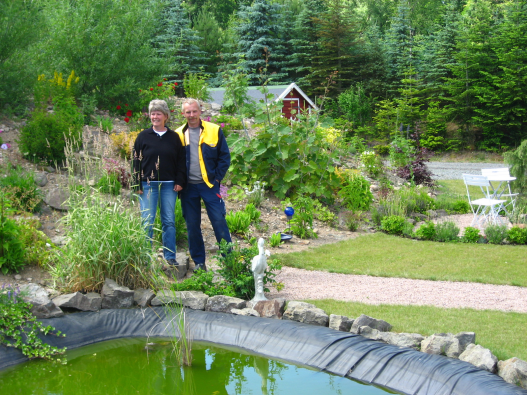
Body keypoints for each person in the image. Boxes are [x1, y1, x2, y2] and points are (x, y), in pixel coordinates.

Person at [175, 98, 232, 272]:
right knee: (192, 226)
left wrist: (217, 179)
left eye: (194, 111)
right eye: (188, 112)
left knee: (219, 222)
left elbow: (224, 157)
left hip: (209, 185)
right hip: (188, 188)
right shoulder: (177, 134)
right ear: (183, 114)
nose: (191, 115)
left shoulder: (214, 130)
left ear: (200, 111)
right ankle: (199, 263)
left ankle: (229, 262)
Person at [132, 99, 187, 268]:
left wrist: (179, 181)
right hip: (148, 186)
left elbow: (181, 161)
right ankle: (145, 256)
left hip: (169, 185)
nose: (155, 116)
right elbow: (135, 161)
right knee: (147, 221)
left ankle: (169, 256)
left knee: (168, 221)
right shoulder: (143, 136)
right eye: (152, 113)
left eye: (158, 113)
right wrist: (137, 184)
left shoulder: (174, 138)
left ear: (166, 116)